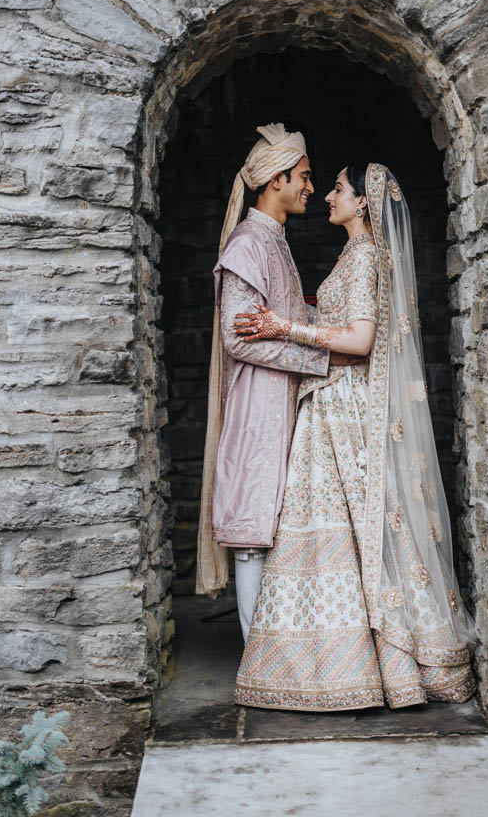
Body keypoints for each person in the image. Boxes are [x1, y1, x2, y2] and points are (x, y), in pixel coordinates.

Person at [232, 163, 478, 710]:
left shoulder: (366, 255)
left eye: (338, 190)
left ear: (364, 204)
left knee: (356, 532)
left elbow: (363, 341)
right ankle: (335, 662)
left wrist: (285, 328)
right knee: (334, 534)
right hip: (329, 402)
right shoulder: (352, 255)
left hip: (346, 404)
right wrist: (296, 316)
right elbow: (346, 323)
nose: (327, 197)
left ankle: (374, 661)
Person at [196, 123, 330, 643]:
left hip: (282, 396)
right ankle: (256, 656)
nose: (310, 188)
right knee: (254, 529)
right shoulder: (249, 243)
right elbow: (240, 339)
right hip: (258, 402)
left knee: (280, 526)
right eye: (304, 176)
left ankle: (282, 653)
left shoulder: (275, 241)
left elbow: (279, 316)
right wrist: (319, 359)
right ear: (276, 180)